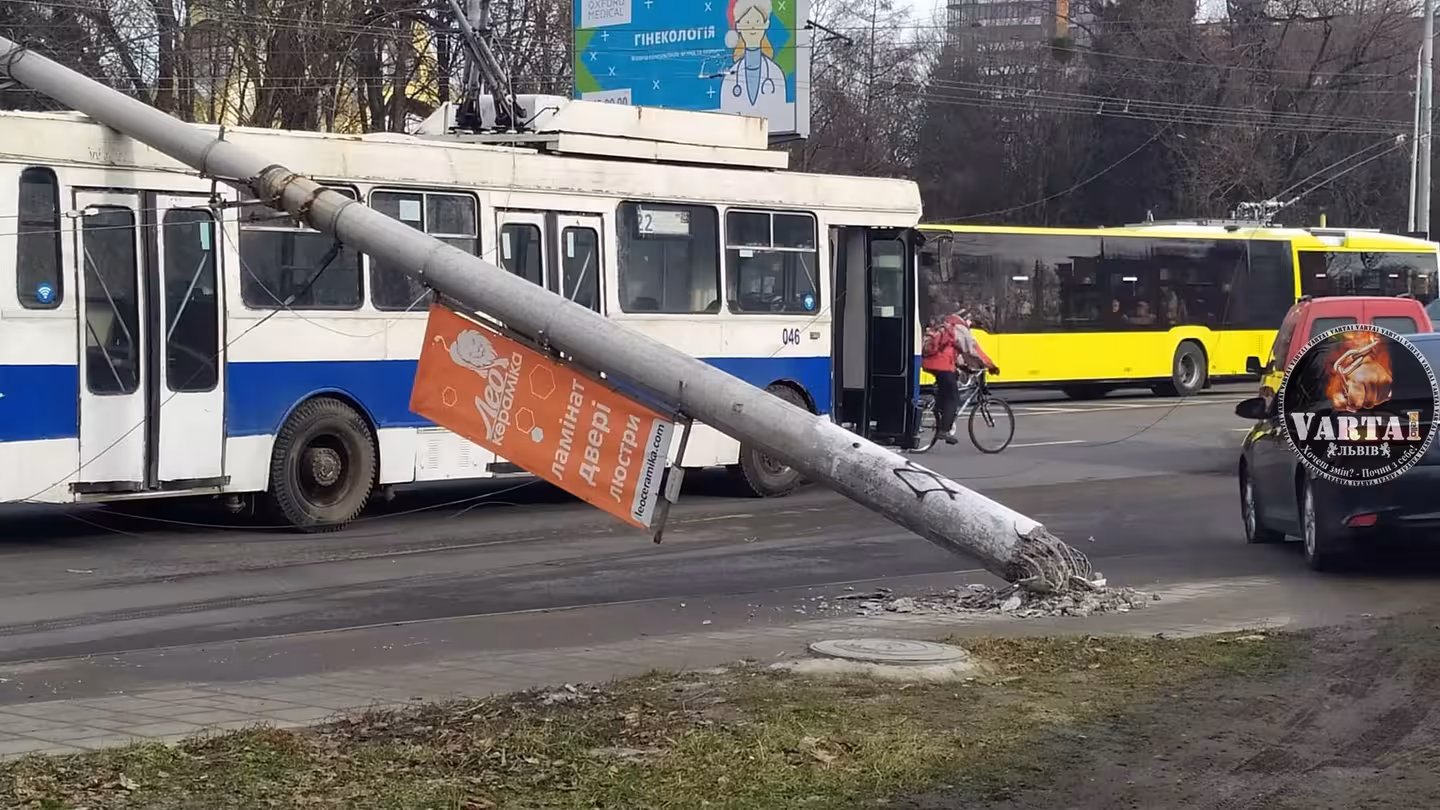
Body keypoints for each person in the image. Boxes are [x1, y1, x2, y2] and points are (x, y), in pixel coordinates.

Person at [922, 310, 1000, 444]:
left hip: (933, 365)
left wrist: (965, 368)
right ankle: (944, 430)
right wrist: (990, 365)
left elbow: (952, 353)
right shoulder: (960, 328)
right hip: (943, 367)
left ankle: (938, 412)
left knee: (947, 389)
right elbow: (972, 349)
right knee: (953, 398)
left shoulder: (947, 327)